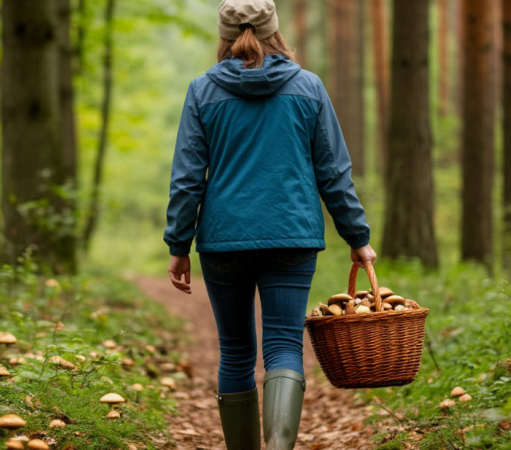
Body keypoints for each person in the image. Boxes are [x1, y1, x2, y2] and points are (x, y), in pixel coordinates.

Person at [164, 0, 376, 448]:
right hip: (292, 235)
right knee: (283, 347)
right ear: (275, 32)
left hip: (223, 241)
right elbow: (333, 172)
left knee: (236, 352)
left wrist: (178, 243)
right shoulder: (308, 87)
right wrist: (357, 236)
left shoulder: (202, 90)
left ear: (223, 36)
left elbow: (187, 178)